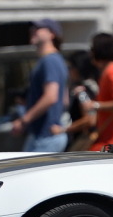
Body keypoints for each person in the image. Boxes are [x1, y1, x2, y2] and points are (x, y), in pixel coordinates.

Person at [68, 32, 113, 151]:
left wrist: (94, 105)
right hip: (110, 136)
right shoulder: (108, 71)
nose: (90, 53)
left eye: (92, 48)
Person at [10, 19, 69, 152]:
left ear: (51, 34)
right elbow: (64, 100)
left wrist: (23, 120)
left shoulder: (49, 61)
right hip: (46, 135)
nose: (33, 31)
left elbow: (51, 97)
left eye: (38, 28)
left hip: (45, 137)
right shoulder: (54, 60)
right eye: (32, 29)